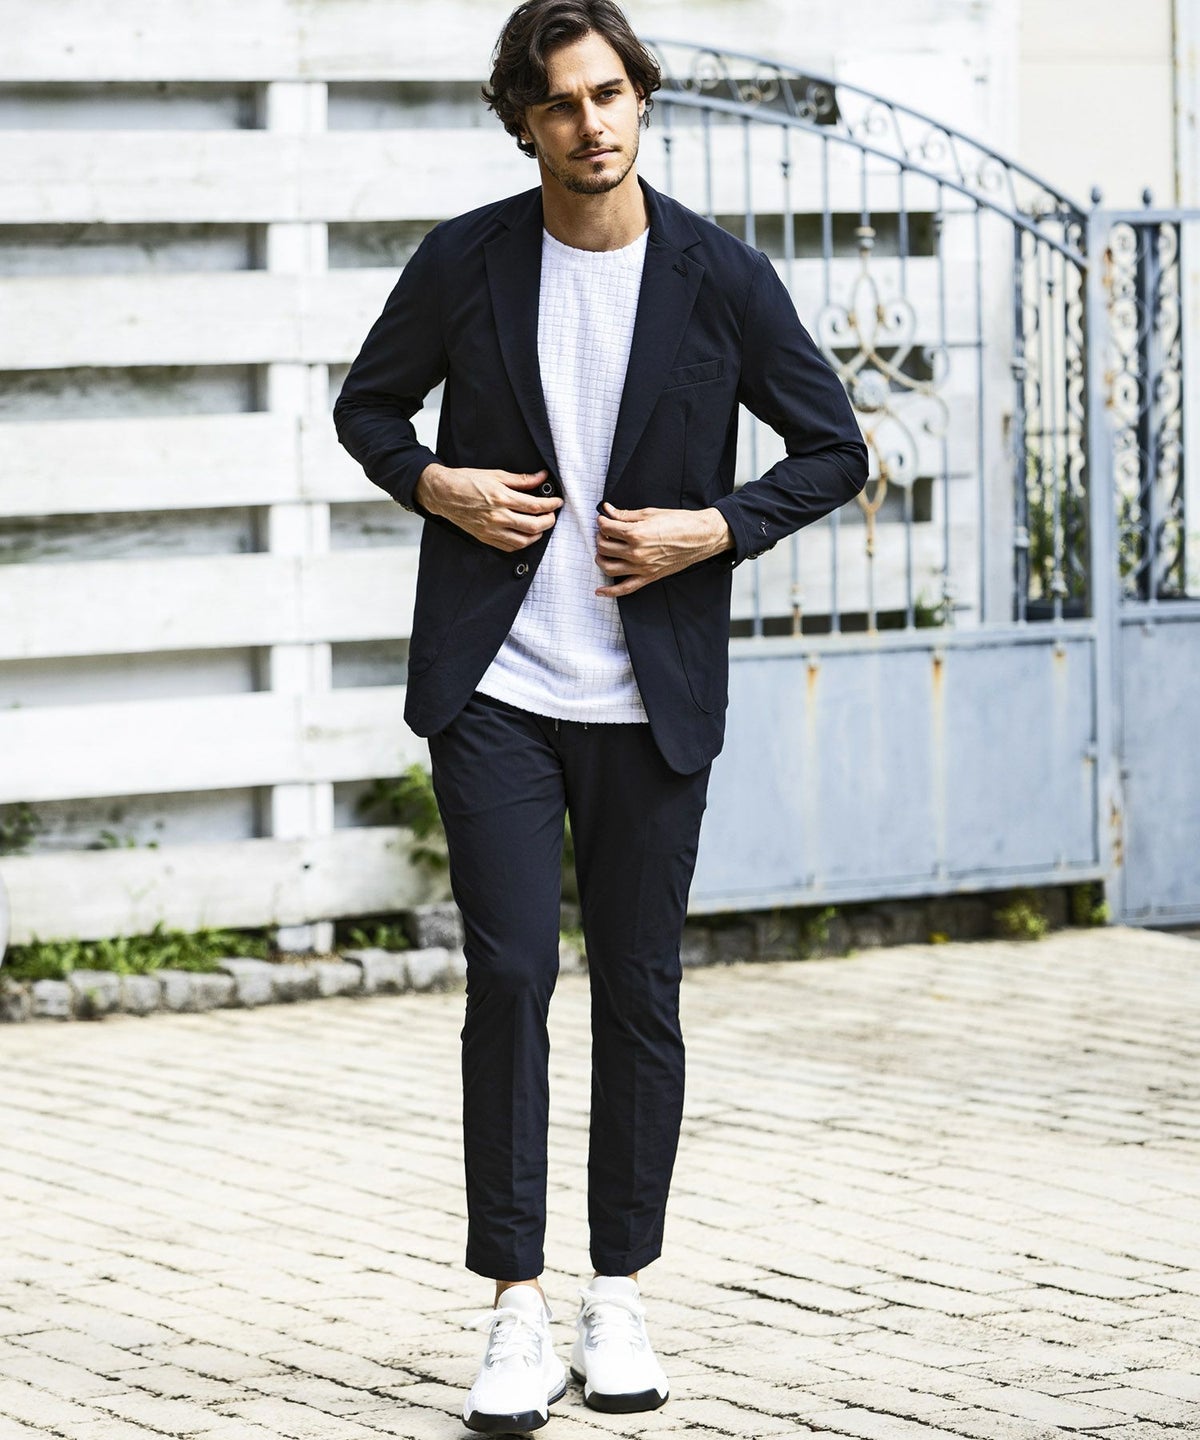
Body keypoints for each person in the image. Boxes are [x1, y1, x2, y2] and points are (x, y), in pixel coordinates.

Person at [333, 0, 867, 1430]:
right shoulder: (465, 261)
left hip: (649, 696)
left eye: (611, 93)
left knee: (640, 990)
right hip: (498, 685)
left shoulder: (719, 276)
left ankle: (616, 1291)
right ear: (524, 122)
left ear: (643, 99)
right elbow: (368, 410)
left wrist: (717, 529)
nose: (592, 123)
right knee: (511, 978)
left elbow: (833, 449)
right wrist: (436, 484)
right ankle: (514, 1306)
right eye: (562, 102)